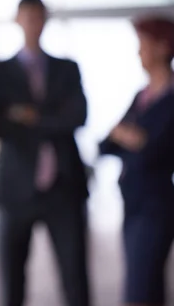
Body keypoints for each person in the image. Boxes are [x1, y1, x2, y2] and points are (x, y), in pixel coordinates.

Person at [0, 0, 90, 306]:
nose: (33, 24)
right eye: (27, 17)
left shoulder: (67, 68)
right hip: (15, 188)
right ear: (18, 21)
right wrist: (54, 117)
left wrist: (30, 116)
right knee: (12, 281)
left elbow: (79, 117)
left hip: (64, 186)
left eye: (39, 17)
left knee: (75, 278)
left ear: (45, 21)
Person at [99, 16, 174, 306]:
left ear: (162, 47)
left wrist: (128, 137)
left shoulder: (169, 100)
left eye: (142, 44)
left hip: (156, 205)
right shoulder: (141, 96)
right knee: (142, 286)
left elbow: (155, 148)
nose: (138, 51)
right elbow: (108, 144)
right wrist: (133, 138)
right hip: (133, 200)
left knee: (141, 289)